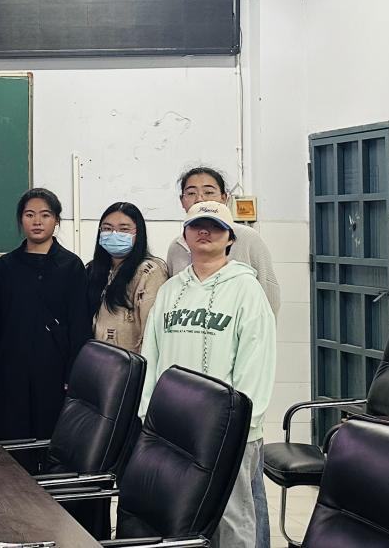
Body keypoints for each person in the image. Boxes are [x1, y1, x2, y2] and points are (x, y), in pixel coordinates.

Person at [140, 200, 275, 548]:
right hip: (173, 428)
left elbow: (256, 365)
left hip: (228, 431)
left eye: (216, 227)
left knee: (231, 520)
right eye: (197, 225)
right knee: (176, 514)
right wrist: (148, 415)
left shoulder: (247, 290)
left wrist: (238, 424)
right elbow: (151, 356)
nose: (205, 232)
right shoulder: (170, 291)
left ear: (230, 238)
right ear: (185, 235)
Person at [0, 188, 89, 441]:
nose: (37, 221)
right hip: (11, 368)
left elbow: (80, 323)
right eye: (30, 215)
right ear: (21, 219)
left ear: (56, 220)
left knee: (53, 438)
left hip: (54, 369)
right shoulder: (4, 268)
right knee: (11, 437)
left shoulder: (71, 266)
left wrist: (74, 372)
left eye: (45, 215)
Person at [167, 166, 280, 314]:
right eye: (191, 193)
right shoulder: (176, 247)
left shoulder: (248, 238)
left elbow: (268, 292)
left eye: (208, 192)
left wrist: (263, 326)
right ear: (182, 201)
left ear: (224, 198)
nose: (199, 199)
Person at [86, 201, 169, 354]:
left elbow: (152, 332)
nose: (114, 234)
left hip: (130, 362)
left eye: (124, 229)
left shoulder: (149, 272)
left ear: (138, 233)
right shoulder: (92, 269)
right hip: (95, 360)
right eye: (107, 228)